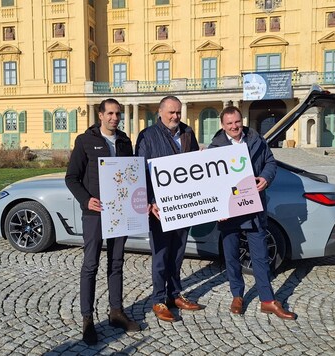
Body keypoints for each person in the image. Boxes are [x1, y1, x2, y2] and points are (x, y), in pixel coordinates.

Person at [208, 106, 296, 320]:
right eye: (229, 124)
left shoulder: (256, 139)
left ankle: (267, 300)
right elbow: (209, 182)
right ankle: (237, 295)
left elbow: (270, 162)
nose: (234, 127)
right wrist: (217, 207)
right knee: (231, 256)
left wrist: (266, 178)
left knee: (261, 256)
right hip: (229, 211)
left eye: (237, 122)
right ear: (223, 126)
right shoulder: (214, 147)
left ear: (242, 120)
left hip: (253, 209)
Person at [65, 98, 140, 345]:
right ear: (100, 115)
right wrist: (86, 200)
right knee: (91, 265)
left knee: (116, 262)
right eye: (110, 113)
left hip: (119, 212)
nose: (114, 118)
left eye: (117, 114)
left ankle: (116, 312)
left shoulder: (125, 141)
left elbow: (131, 175)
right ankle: (88, 319)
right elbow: (72, 178)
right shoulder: (85, 141)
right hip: (95, 213)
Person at [135, 96, 202, 322]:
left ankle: (175, 294)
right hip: (159, 208)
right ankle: (159, 299)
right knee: (161, 255)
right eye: (171, 112)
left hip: (183, 204)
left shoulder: (187, 132)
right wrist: (150, 200)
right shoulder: (148, 135)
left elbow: (196, 166)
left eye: (178, 113)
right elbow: (141, 171)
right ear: (160, 112)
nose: (175, 117)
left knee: (178, 253)